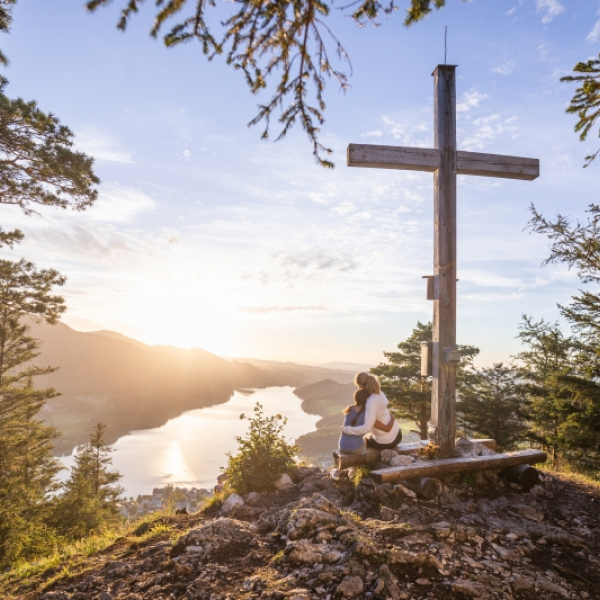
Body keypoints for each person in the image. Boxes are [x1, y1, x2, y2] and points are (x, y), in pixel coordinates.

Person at [342, 373, 402, 449]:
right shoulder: (380, 394)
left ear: (361, 386)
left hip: (386, 442)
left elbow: (366, 428)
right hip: (398, 434)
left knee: (363, 440)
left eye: (358, 387)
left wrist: (347, 430)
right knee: (369, 436)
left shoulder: (370, 402)